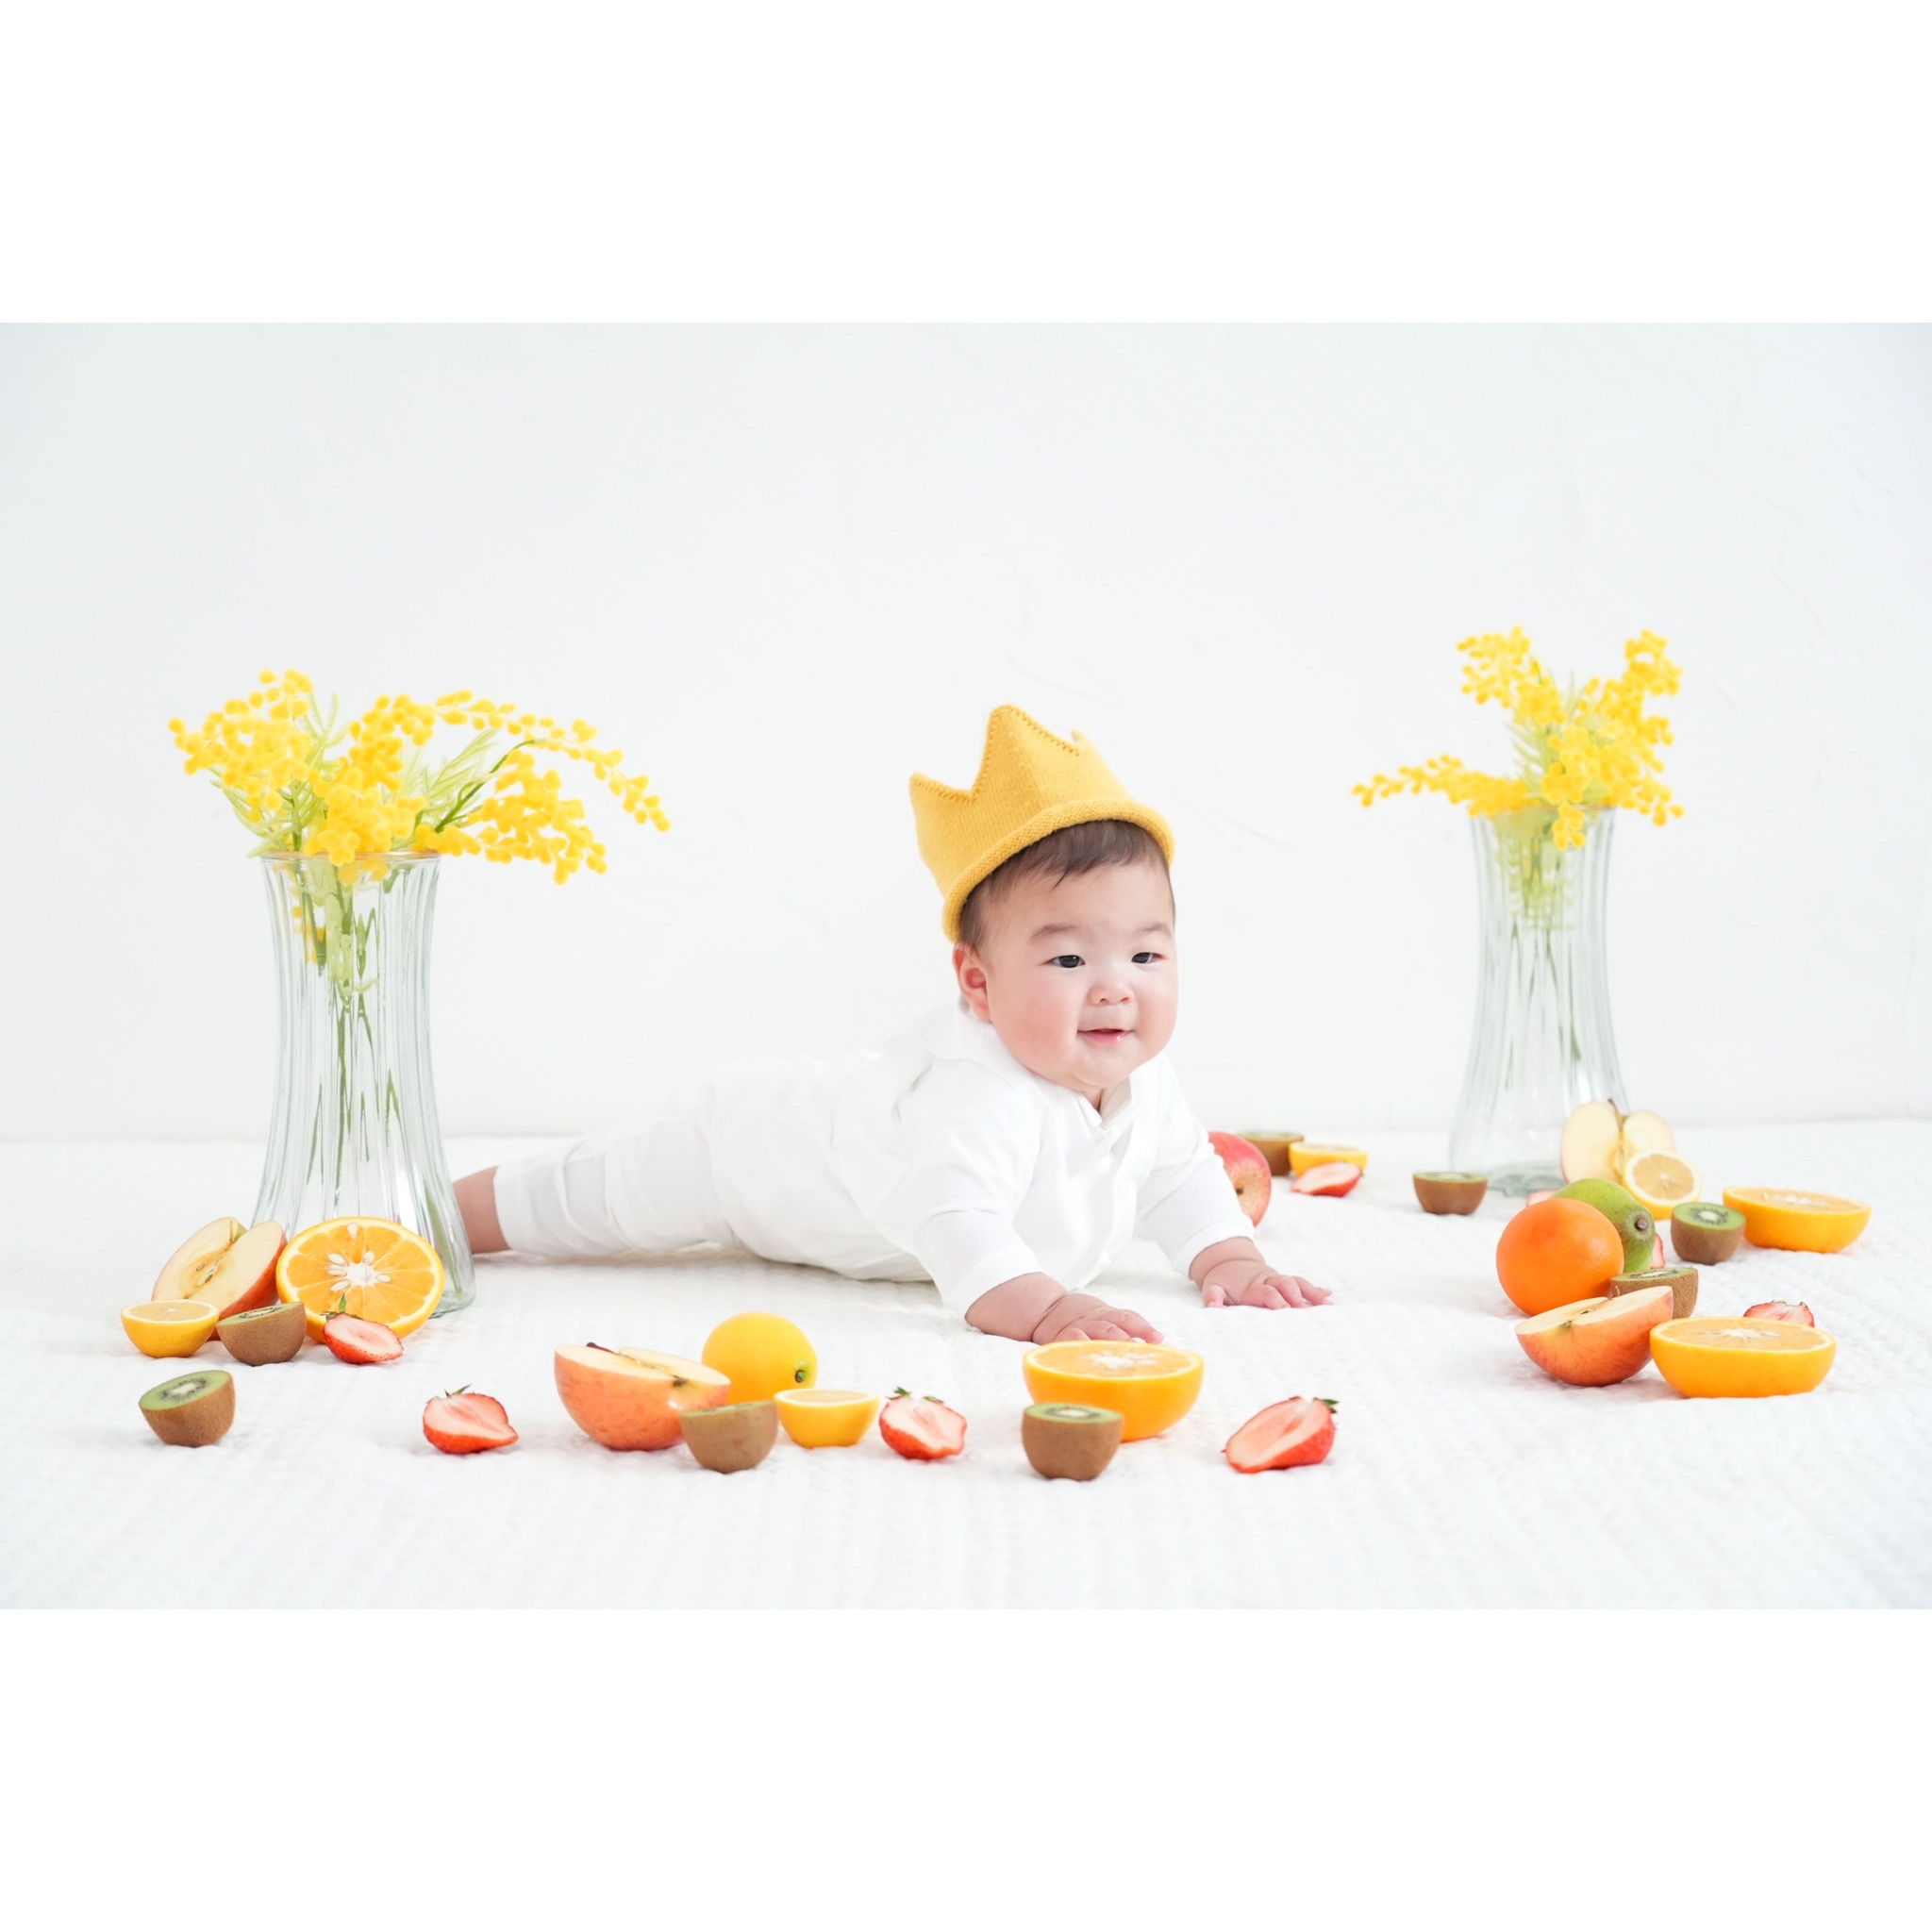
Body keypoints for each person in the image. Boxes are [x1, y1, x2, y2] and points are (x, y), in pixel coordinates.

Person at [454, 705, 1331, 1342]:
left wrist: (1230, 1260)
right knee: (582, 1197)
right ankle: (427, 1215)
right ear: (977, 983)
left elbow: (1179, 1174)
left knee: (585, 1196)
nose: (1114, 989)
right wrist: (1047, 1310)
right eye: (1068, 961)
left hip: (831, 1122)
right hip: (745, 1149)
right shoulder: (980, 1092)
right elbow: (956, 1221)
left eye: (1145, 955)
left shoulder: (1143, 1081)